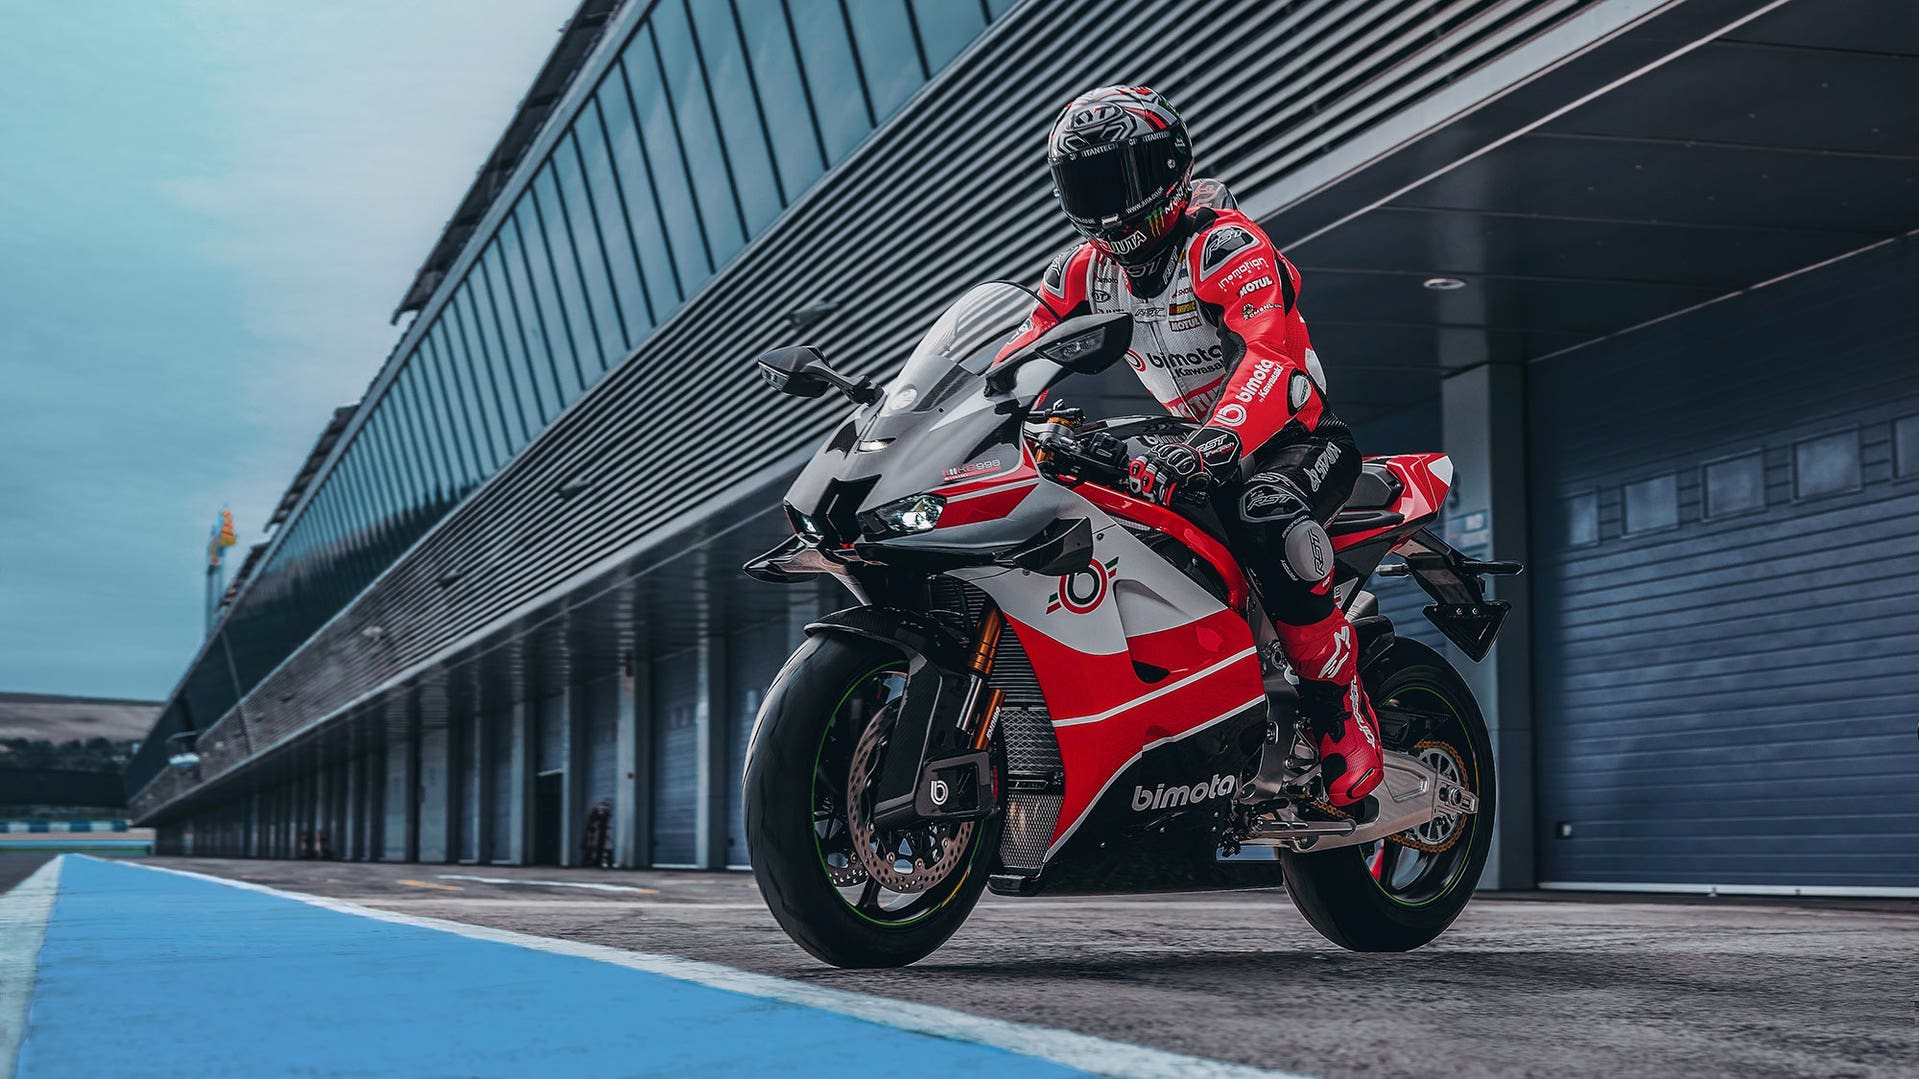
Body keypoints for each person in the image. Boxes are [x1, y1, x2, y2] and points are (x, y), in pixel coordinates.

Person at [1008, 85, 1382, 805]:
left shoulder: (1224, 246)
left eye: (1120, 181)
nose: (1108, 208)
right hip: (1191, 440)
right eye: (1087, 186)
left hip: (1295, 436)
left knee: (1266, 511)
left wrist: (1220, 439)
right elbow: (1017, 361)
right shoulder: (1081, 271)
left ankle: (1341, 710)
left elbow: (1269, 357)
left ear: (1168, 168)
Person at [582, 798, 613, 868]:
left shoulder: (601, 810)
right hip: (596, 831)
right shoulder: (599, 811)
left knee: (599, 846)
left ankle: (596, 860)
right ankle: (593, 860)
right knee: (594, 846)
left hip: (599, 832)